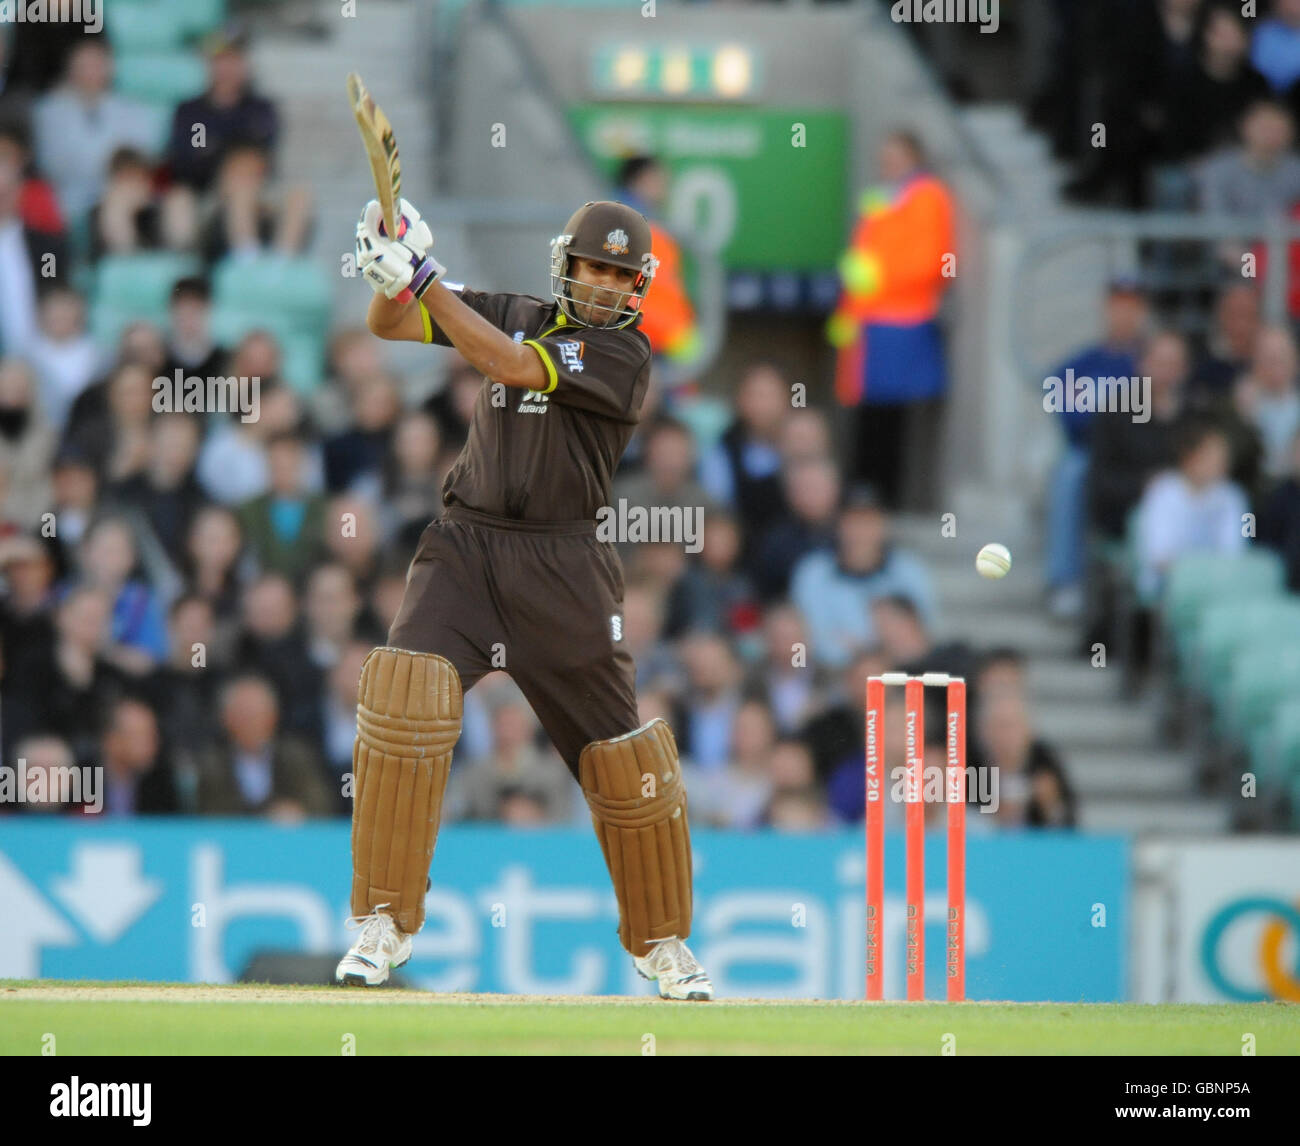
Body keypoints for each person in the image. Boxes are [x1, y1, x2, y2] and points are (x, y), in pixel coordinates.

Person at [338, 195, 712, 999]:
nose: (605, 286)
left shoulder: (625, 356)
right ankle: (383, 920)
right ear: (566, 264)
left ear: (637, 284)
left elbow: (509, 364)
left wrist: (425, 274)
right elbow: (391, 325)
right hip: (465, 547)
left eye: (620, 273)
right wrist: (388, 266)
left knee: (621, 757)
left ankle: (663, 942)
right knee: (405, 697)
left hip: (565, 566)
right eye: (594, 267)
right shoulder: (517, 311)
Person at [827, 129, 955, 508]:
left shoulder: (928, 197)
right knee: (868, 416)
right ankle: (865, 496)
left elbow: (932, 261)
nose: (888, 163)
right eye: (885, 156)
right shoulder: (885, 198)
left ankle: (884, 500)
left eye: (896, 155)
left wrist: (878, 279)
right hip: (870, 323)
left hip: (902, 321)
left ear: (914, 157)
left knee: (891, 418)